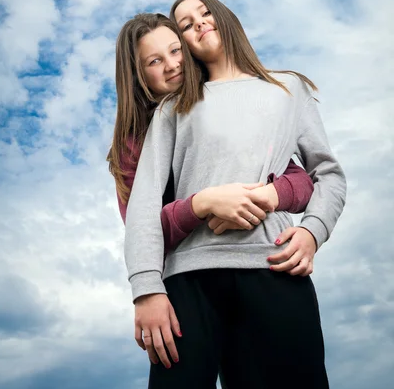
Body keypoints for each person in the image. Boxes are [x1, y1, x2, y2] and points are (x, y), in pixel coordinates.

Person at [125, 0, 346, 388]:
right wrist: (146, 290)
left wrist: (313, 231)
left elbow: (326, 174)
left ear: (225, 16)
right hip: (187, 282)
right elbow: (142, 206)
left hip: (273, 267)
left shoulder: (287, 88)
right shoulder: (173, 106)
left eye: (204, 13)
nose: (198, 24)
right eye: (186, 24)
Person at [107, 14, 314, 255]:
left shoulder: (231, 110)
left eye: (176, 51)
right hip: (188, 273)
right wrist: (203, 204)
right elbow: (141, 230)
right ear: (137, 75)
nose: (172, 65)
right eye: (154, 61)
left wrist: (262, 197)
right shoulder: (133, 145)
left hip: (260, 257)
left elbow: (300, 182)